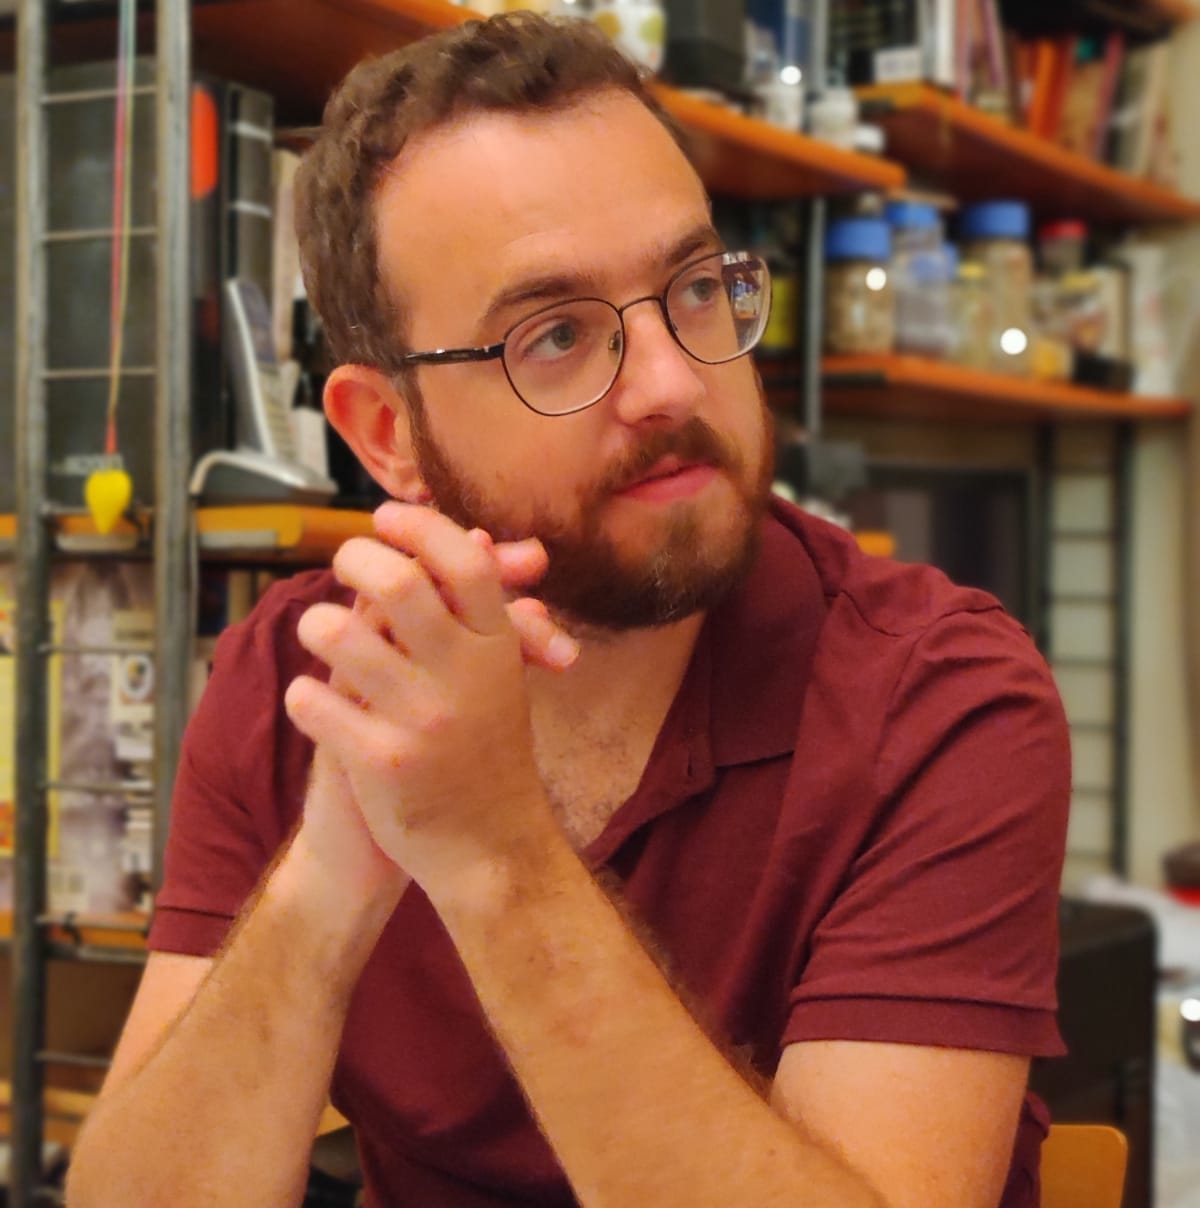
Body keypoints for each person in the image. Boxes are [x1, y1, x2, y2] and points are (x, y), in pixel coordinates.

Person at [66, 13, 1070, 1208]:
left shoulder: (940, 694)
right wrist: (336, 865)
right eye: (554, 334)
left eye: (697, 287)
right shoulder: (303, 676)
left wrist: (491, 846)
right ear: (386, 433)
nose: (671, 380)